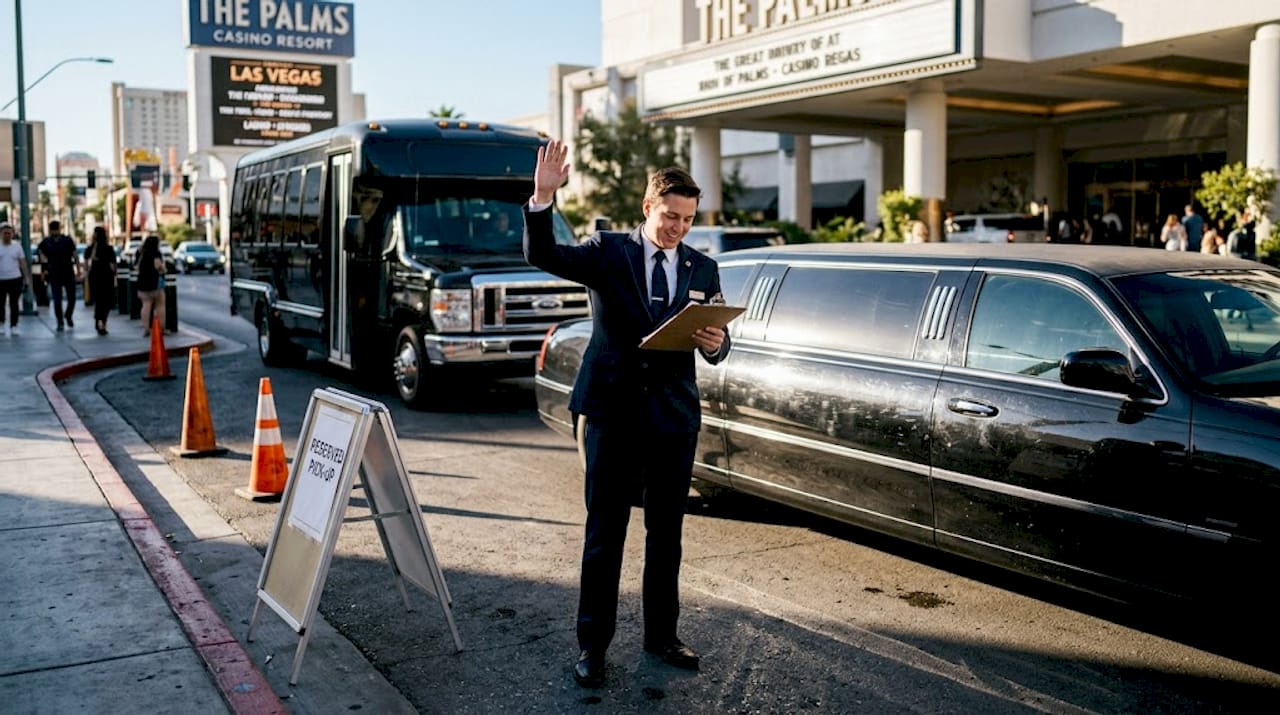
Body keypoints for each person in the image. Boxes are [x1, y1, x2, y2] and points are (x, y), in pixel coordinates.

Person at [522, 139, 729, 689]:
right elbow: (545, 256)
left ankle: (662, 635)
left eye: (687, 219)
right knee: (605, 532)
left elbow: (717, 341)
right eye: (669, 216)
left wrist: (714, 340)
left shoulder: (703, 267)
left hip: (674, 418)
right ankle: (593, 645)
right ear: (648, 208)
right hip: (613, 414)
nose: (677, 228)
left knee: (667, 534)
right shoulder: (607, 251)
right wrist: (544, 198)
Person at [38, 220, 81, 330]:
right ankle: (60, 321)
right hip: (54, 274)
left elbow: (75, 255)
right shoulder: (46, 242)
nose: (54, 232)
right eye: (53, 230)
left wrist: (78, 270)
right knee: (57, 300)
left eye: (55, 229)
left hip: (68, 273)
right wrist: (43, 271)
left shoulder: (67, 240)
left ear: (59, 229)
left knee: (72, 298)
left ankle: (68, 315)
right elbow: (42, 258)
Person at [0, 221, 31, 337]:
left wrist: (26, 278)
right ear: (1, 233)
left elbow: (23, 263)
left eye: (9, 232)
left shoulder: (17, 246)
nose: (7, 235)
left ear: (12, 233)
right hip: (1, 279)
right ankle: (2, 323)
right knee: (0, 304)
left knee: (14, 304)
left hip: (15, 279)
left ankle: (14, 325)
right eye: (5, 232)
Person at [86, 226, 117, 335]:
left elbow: (87, 261)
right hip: (106, 276)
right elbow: (114, 264)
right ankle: (102, 322)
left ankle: (99, 321)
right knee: (105, 302)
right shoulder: (108, 248)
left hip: (95, 276)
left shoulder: (92, 248)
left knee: (99, 301)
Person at [134, 234, 167, 335]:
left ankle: (146, 328)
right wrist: (163, 269)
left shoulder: (140, 252)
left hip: (142, 281)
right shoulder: (156, 253)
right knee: (160, 305)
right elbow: (158, 266)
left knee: (145, 305)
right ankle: (161, 328)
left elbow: (135, 266)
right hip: (154, 281)